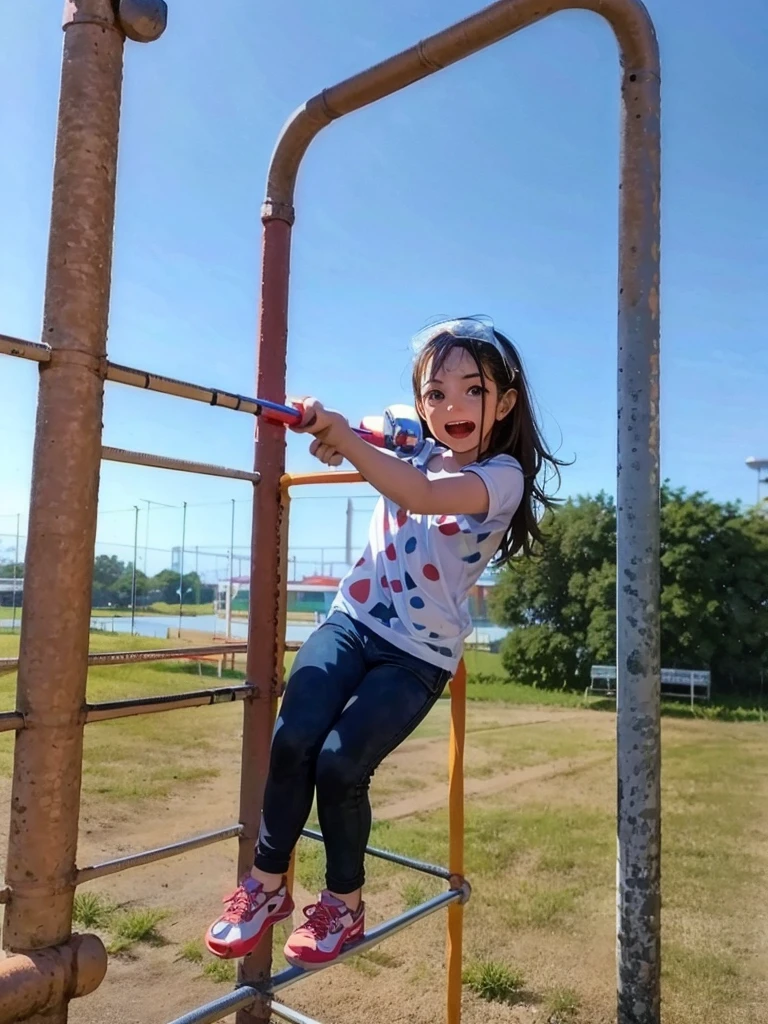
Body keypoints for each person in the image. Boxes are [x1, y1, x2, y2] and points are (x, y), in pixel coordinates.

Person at [205, 316, 562, 968]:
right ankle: (265, 884)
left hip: (418, 653)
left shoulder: (501, 477)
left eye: (472, 391)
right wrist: (331, 428)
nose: (450, 407)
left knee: (341, 765)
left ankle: (345, 902)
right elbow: (373, 432)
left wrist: (349, 442)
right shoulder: (411, 435)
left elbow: (421, 494)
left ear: (504, 401)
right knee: (294, 736)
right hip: (355, 618)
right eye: (436, 393)